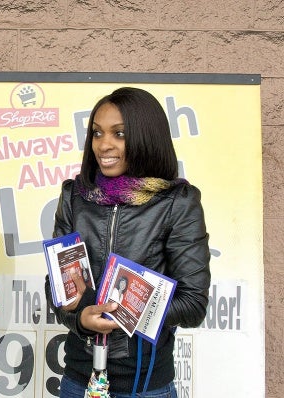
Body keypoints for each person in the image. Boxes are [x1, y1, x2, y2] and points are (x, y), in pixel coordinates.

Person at [45, 87, 210, 398]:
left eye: (119, 134)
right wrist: (80, 318)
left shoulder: (177, 202)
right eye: (97, 133)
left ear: (146, 136)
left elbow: (192, 305)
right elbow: (57, 285)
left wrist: (114, 307)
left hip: (145, 386)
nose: (103, 144)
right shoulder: (74, 196)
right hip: (77, 381)